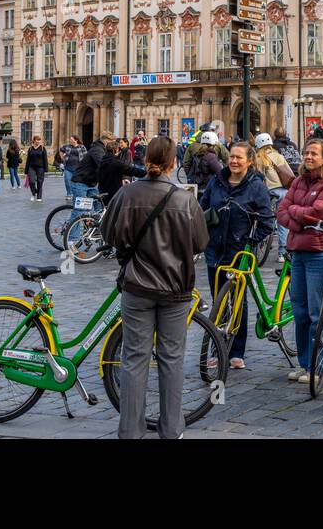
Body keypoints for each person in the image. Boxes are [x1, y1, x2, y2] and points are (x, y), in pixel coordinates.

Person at [101, 136, 209, 439]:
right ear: (173, 162)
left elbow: (108, 235)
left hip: (137, 286)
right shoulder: (185, 199)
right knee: (172, 358)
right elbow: (201, 242)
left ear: (146, 158)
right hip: (175, 289)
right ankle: (172, 429)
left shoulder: (127, 194)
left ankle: (130, 430)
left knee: (134, 358)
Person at [276, 138, 323, 385]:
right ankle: (306, 363)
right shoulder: (299, 181)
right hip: (299, 251)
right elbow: (282, 210)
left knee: (320, 313)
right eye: (306, 152)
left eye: (313, 153)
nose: (308, 157)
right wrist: (301, 220)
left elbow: (318, 213)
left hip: (321, 253)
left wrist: (298, 215)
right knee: (301, 311)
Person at [199, 141, 273, 370]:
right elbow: (201, 209)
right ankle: (217, 349)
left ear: (249, 161)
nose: (234, 161)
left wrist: (250, 243)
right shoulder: (217, 181)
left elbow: (267, 221)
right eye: (232, 156)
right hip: (215, 251)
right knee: (219, 304)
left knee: (238, 303)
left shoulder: (255, 186)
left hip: (239, 252)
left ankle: (236, 352)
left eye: (239, 157)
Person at [98, 136, 146, 206]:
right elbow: (130, 170)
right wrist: (146, 173)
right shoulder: (114, 162)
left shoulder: (103, 160)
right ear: (115, 150)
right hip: (112, 193)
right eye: (118, 149)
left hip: (103, 190)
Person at [24, 135, 48, 202]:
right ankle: (34, 193)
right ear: (34, 140)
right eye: (37, 140)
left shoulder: (42, 148)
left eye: (39, 140)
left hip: (40, 167)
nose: (38, 141)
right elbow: (28, 160)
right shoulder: (30, 149)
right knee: (31, 181)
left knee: (40, 182)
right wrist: (26, 170)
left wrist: (46, 169)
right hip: (31, 167)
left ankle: (39, 196)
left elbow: (45, 159)